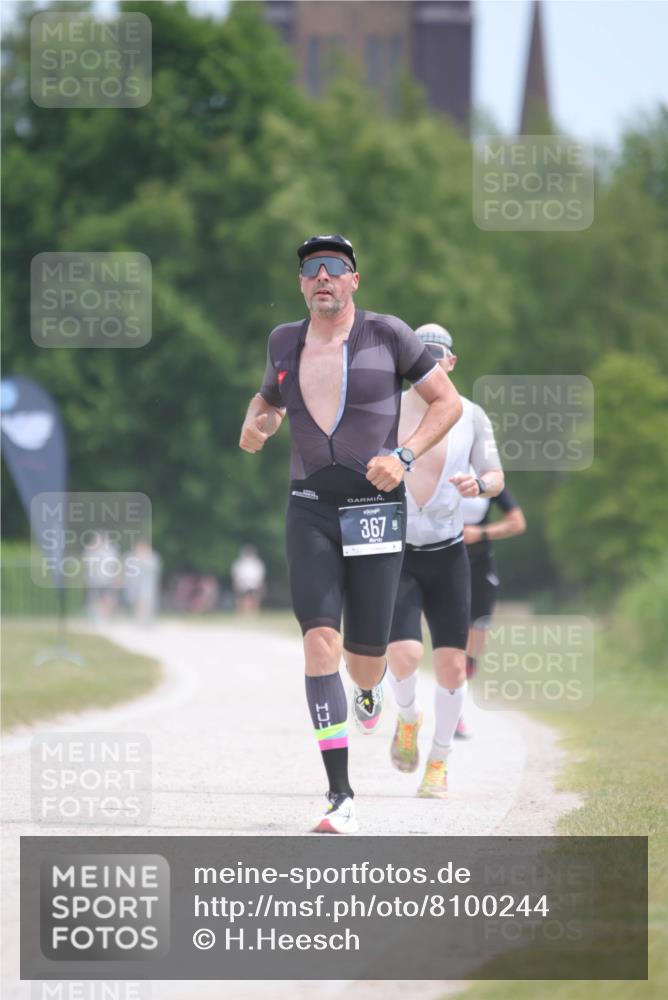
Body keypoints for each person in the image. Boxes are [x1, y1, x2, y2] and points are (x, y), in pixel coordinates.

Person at [239, 234, 462, 833]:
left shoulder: (389, 335)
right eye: (312, 269)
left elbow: (448, 405)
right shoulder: (283, 340)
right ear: (302, 284)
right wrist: (256, 424)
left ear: (353, 281)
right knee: (318, 643)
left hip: (374, 506)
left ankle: (372, 688)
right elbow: (268, 400)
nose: (323, 278)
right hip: (309, 505)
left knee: (366, 663)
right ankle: (341, 796)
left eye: (335, 269)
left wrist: (406, 456)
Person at [386, 324, 504, 797]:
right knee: (404, 653)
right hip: (397, 552)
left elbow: (495, 474)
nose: (428, 366)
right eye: (421, 358)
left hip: (449, 553)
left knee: (453, 668)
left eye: (437, 358)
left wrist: (482, 485)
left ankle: (438, 761)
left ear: (451, 363)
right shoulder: (386, 410)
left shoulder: (471, 415)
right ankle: (408, 719)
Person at [458, 484, 526, 737]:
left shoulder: (490, 481)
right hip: (444, 563)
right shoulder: (440, 470)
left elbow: (518, 523)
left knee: (477, 637)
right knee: (453, 637)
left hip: (481, 565)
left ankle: (462, 680)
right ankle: (454, 711)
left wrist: (481, 532)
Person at [230, 545, 266, 615]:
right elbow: (236, 575)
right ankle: (241, 613)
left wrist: (261, 585)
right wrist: (236, 583)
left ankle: (255, 613)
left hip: (254, 584)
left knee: (255, 598)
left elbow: (260, 575)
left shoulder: (257, 563)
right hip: (242, 584)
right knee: (241, 599)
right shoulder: (239, 563)